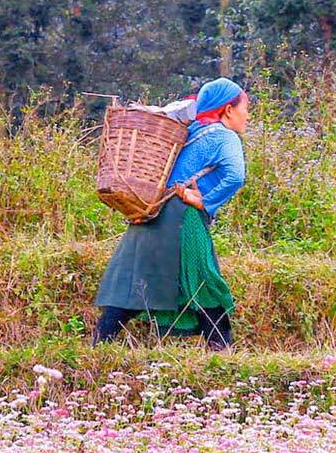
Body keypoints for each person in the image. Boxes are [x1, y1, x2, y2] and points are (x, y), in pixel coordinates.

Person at [94, 78, 251, 350]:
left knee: (134, 279)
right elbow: (236, 177)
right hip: (183, 217)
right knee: (202, 279)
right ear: (227, 110)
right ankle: (222, 348)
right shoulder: (225, 136)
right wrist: (205, 202)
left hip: (152, 210)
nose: (247, 115)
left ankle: (99, 343)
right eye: (245, 108)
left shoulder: (190, 132)